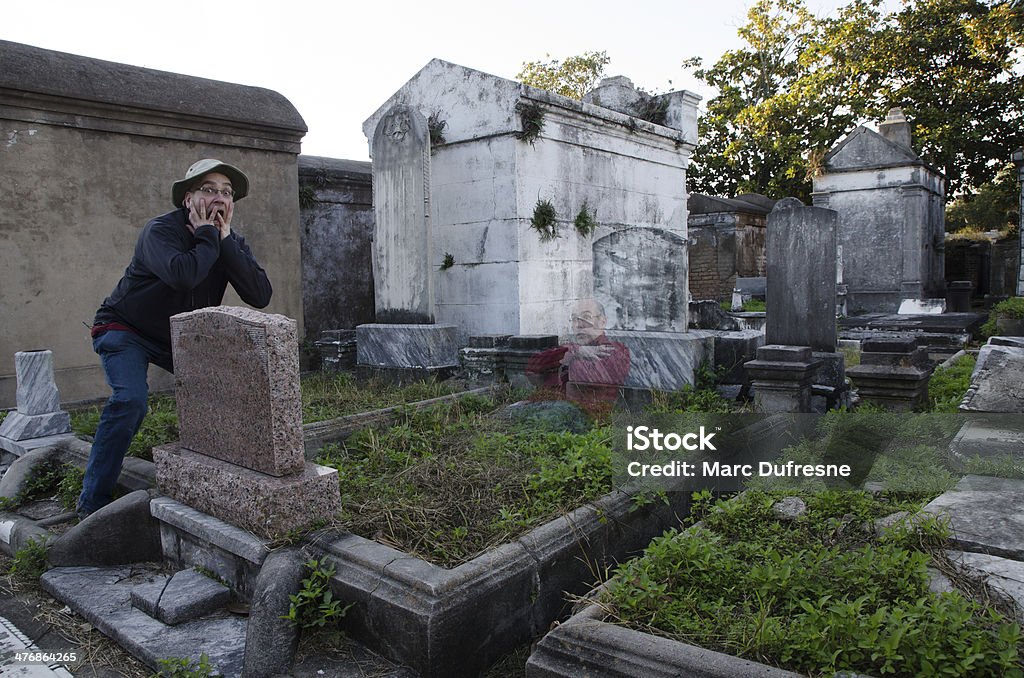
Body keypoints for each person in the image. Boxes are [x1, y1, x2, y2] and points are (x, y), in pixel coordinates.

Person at [77, 159, 272, 518]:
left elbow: (260, 294)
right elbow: (184, 275)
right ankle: (93, 502)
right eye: (209, 189)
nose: (218, 199)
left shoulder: (227, 240)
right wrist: (207, 237)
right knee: (131, 401)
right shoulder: (160, 232)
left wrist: (224, 241)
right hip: (125, 328)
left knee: (228, 387)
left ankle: (221, 482)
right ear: (187, 198)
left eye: (226, 193)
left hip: (177, 337)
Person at [526, 299, 631, 405]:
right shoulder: (573, 349)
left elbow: (588, 382)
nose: (579, 325)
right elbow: (532, 366)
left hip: (591, 416)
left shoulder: (615, 350)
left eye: (586, 317)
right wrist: (576, 351)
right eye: (574, 319)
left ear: (602, 321)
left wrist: (568, 355)